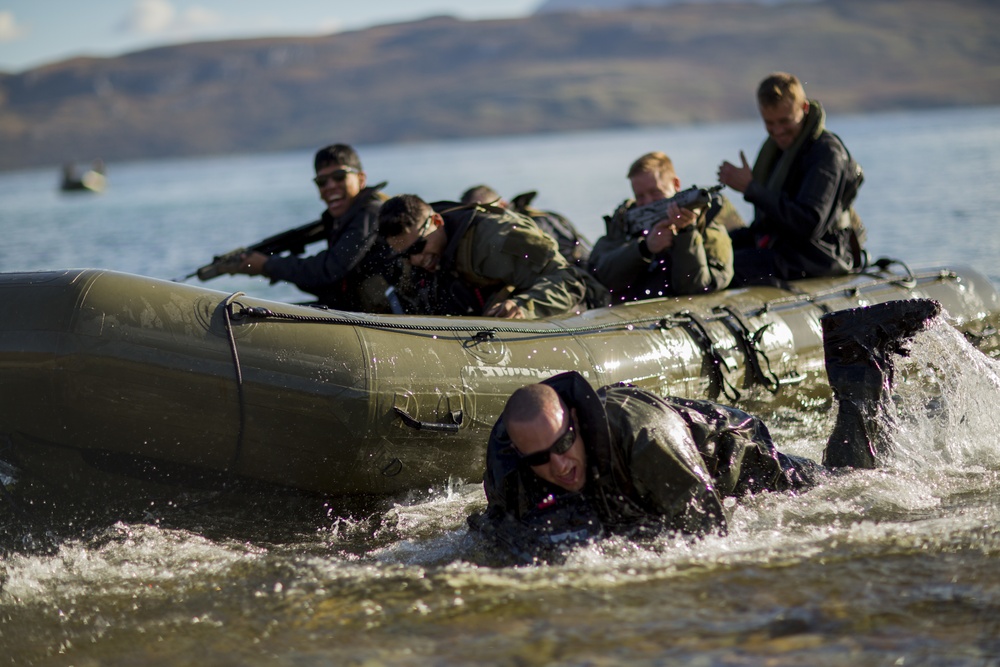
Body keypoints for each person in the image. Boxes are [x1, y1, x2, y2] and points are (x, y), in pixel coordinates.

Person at [468, 298, 940, 563]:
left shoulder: (645, 438)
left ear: (574, 422)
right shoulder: (513, 465)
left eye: (564, 444)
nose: (559, 464)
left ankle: (858, 357)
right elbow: (498, 534)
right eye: (540, 460)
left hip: (725, 450)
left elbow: (706, 532)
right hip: (652, 460)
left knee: (848, 482)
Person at [717, 72, 866, 287]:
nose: (778, 131)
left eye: (785, 121)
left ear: (804, 109)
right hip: (784, 249)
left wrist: (751, 189)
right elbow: (769, 223)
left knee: (728, 268)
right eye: (770, 123)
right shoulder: (779, 150)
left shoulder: (826, 153)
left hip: (819, 257)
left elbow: (808, 223)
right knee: (714, 254)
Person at [221, 143, 394, 311]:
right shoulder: (341, 220)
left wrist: (268, 265)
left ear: (361, 179)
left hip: (381, 318)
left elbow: (329, 270)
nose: (331, 186)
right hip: (354, 309)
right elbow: (329, 283)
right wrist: (268, 269)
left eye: (339, 176)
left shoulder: (370, 214)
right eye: (322, 182)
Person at [378, 194, 607, 319]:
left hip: (571, 314)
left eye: (418, 247)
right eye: (406, 254)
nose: (416, 260)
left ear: (437, 222)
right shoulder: (420, 259)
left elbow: (570, 282)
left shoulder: (498, 238)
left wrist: (523, 307)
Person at [589, 151, 741, 304]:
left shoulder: (710, 231)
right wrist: (644, 248)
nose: (648, 202)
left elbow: (696, 289)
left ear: (676, 184)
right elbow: (600, 274)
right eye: (640, 196)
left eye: (655, 192)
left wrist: (686, 233)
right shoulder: (626, 222)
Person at [460, 184, 593, 267]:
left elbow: (559, 263)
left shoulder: (537, 223)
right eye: (476, 217)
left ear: (503, 205)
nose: (484, 220)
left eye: (488, 213)